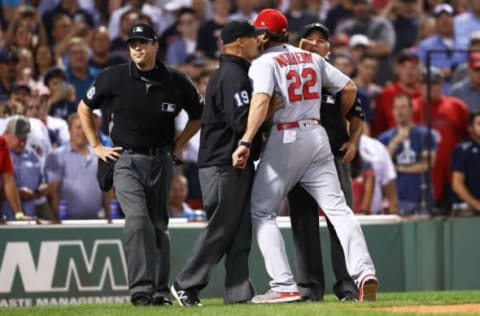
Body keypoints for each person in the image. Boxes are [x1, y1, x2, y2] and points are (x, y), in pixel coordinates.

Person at [232, 9, 378, 303]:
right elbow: (349, 86)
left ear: (262, 36)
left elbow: (260, 101)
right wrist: (339, 115)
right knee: (338, 210)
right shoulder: (311, 58)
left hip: (286, 136)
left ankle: (284, 284)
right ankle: (364, 273)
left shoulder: (263, 62)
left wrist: (247, 140)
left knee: (261, 211)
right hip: (316, 134)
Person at [77, 23, 203, 306]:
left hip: (160, 160)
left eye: (143, 42)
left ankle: (159, 290)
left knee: (159, 224)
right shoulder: (114, 77)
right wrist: (96, 146)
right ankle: (141, 290)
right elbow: (84, 107)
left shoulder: (175, 80)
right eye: (133, 43)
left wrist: (179, 144)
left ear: (155, 46)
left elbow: (199, 115)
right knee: (137, 220)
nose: (137, 47)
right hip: (125, 160)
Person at [170, 20, 265, 307]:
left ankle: (238, 293)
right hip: (223, 162)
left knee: (239, 231)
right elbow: (239, 122)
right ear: (238, 42)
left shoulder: (233, 72)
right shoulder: (232, 75)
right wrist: (268, 110)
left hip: (229, 162)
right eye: (252, 38)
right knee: (223, 227)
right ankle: (185, 283)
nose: (257, 42)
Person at [287, 22, 364, 301]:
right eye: (310, 38)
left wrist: (353, 140)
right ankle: (309, 288)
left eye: (322, 40)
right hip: (299, 158)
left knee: (340, 220)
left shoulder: (337, 78)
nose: (316, 43)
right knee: (303, 222)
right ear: (300, 45)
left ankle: (346, 286)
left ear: (329, 49)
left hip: (333, 155)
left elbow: (356, 114)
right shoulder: (290, 75)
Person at [378, 94, 438, 216]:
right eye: (396, 108)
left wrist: (399, 168)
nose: (400, 111)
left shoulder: (425, 134)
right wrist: (395, 142)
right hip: (396, 197)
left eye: (403, 107)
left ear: (411, 109)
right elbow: (382, 166)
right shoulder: (385, 138)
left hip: (422, 196)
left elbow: (428, 164)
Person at [0, 116, 33, 221]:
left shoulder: (2, 144)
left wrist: (18, 214)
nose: (22, 143)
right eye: (19, 138)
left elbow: (8, 181)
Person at [451, 111, 480, 215]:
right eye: (479, 124)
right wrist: (477, 205)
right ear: (470, 128)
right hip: (466, 208)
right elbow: (457, 184)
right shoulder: (463, 150)